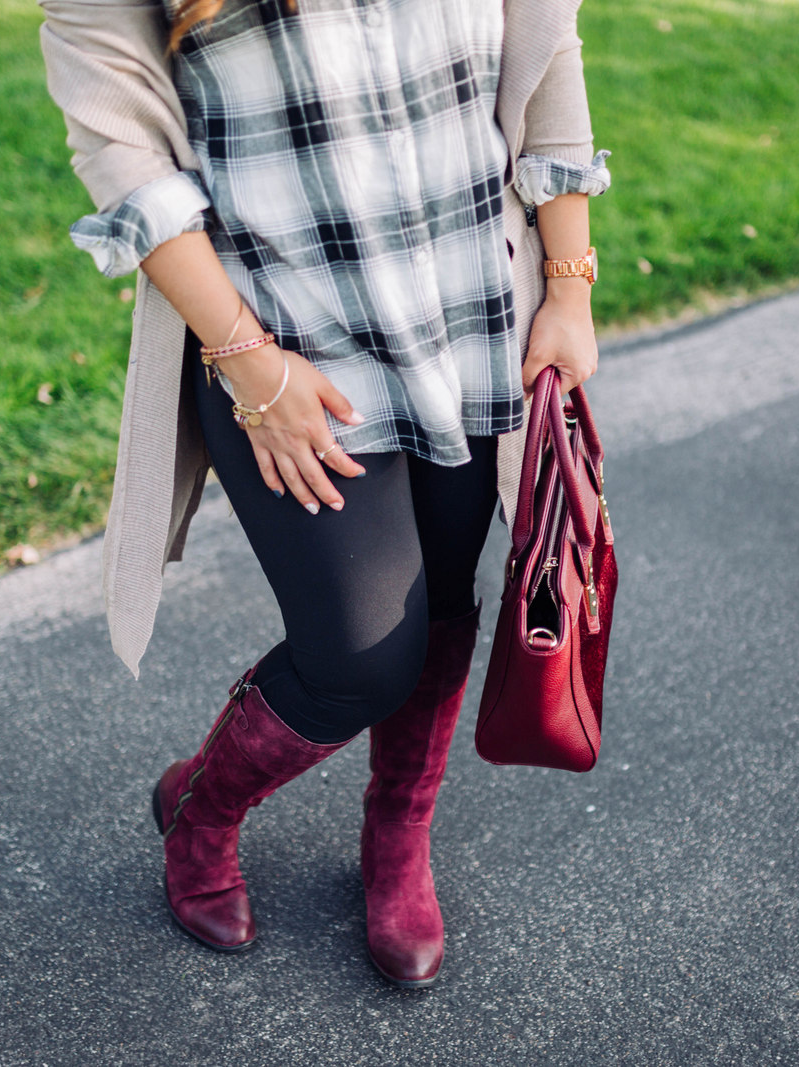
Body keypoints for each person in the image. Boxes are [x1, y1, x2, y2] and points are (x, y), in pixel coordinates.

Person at [37, 0, 610, 988]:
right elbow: (123, 158)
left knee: (437, 606)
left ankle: (398, 834)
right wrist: (251, 368)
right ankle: (199, 809)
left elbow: (546, 53)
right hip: (281, 340)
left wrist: (567, 284)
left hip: (465, 311)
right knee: (356, 658)